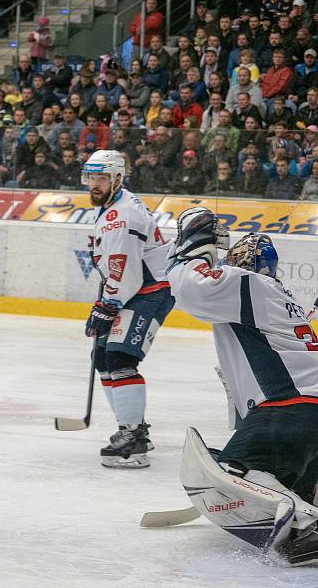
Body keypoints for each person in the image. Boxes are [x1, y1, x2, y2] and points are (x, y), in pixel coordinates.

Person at [168, 210, 318, 565]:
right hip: (305, 415)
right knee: (285, 480)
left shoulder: (250, 285)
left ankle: (305, 526)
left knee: (234, 470)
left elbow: (190, 288)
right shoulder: (280, 300)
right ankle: (302, 502)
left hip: (290, 408)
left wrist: (194, 245)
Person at [83, 150, 174, 469]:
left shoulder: (121, 215)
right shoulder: (113, 206)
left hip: (149, 291)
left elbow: (127, 274)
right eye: (91, 178)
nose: (94, 185)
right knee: (103, 357)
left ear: (117, 178)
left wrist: (105, 307)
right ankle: (133, 425)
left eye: (102, 178)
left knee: (121, 358)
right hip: (135, 291)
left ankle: (132, 438)